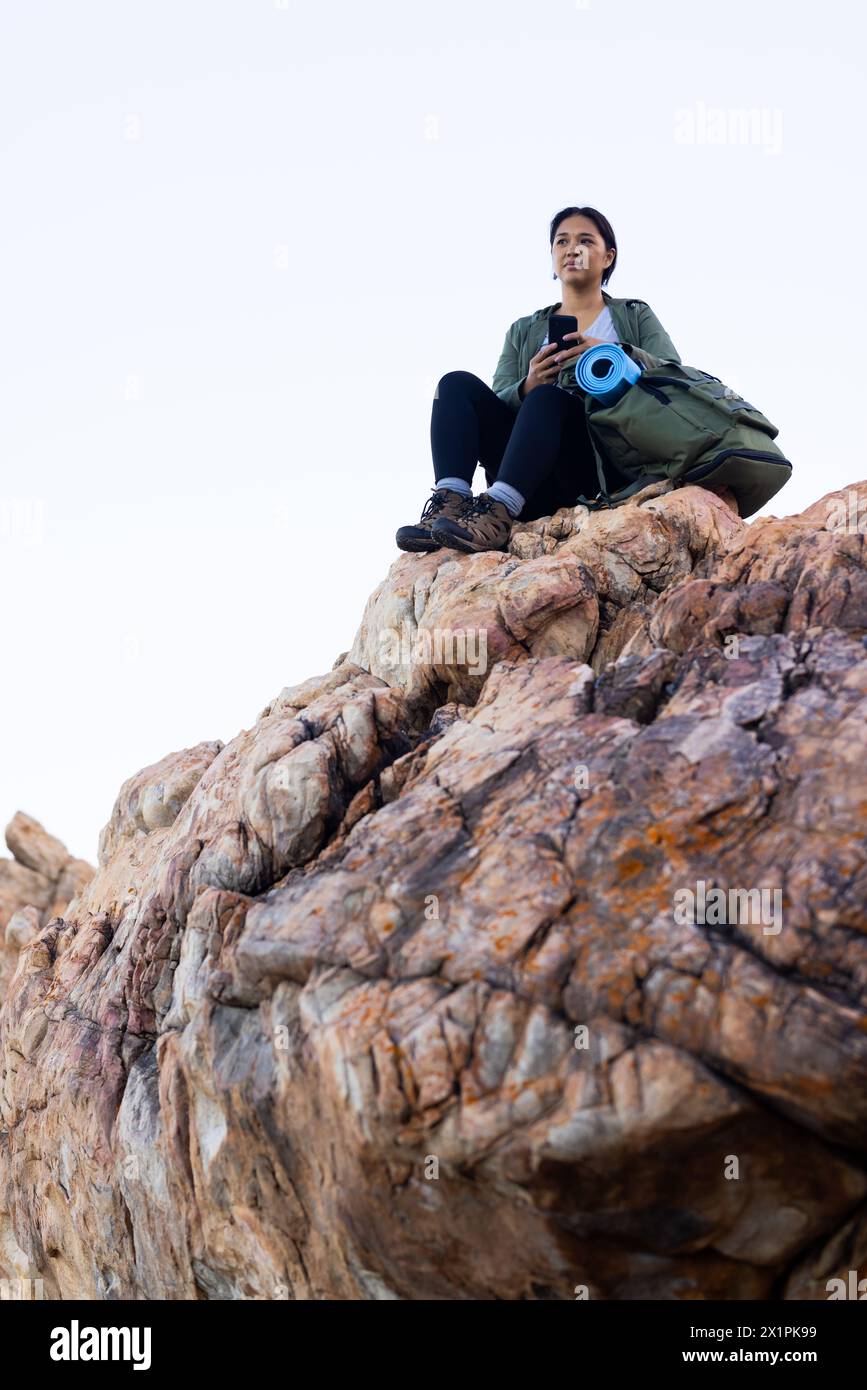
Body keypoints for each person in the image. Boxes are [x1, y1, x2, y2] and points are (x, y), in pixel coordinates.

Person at [395, 205, 682, 555]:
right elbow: (499, 395)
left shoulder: (634, 315)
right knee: (455, 384)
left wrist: (613, 351)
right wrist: (527, 385)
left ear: (607, 257)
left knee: (551, 400)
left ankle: (498, 514)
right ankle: (450, 502)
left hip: (592, 467)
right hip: (528, 471)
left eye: (585, 241)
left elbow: (673, 373)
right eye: (562, 241)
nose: (572, 249)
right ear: (552, 255)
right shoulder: (524, 329)